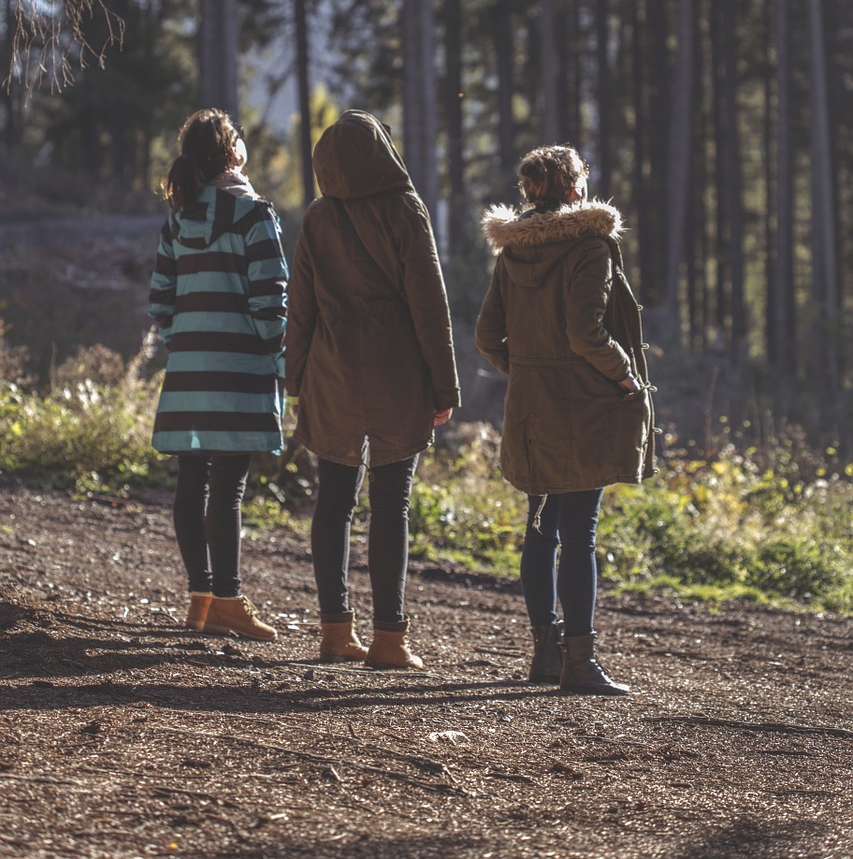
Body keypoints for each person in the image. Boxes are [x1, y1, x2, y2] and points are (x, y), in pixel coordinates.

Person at [475, 144, 655, 696]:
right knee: (580, 535)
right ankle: (580, 663)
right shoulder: (590, 247)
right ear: (576, 187)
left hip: (531, 407)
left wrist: (526, 369)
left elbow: (486, 337)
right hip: (582, 406)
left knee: (540, 527)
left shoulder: (512, 253)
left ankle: (545, 656)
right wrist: (625, 377)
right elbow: (586, 332)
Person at [285, 110, 460, 669]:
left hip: (332, 368)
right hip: (396, 370)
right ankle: (389, 640)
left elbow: (302, 305)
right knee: (391, 501)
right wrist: (444, 385)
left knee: (333, 501)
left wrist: (295, 380)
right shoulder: (405, 209)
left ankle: (335, 632)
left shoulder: (317, 217)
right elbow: (430, 306)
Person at [149, 108, 289, 642]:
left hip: (189, 372)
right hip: (241, 372)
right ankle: (227, 600)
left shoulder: (178, 218)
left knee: (192, 479)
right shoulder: (254, 215)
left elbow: (160, 300)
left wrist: (183, 347)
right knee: (228, 486)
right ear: (233, 152)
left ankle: (200, 598)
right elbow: (270, 303)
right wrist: (285, 368)